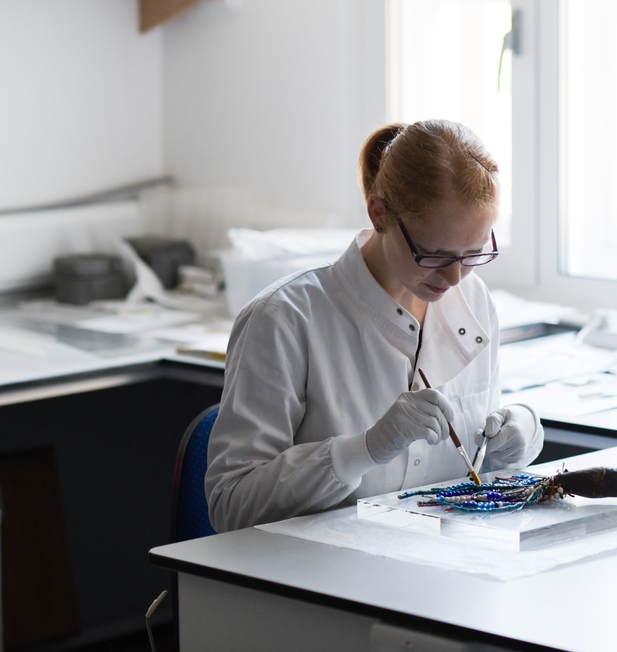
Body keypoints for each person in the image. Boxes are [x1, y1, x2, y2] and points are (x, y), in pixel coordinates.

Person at [206, 120, 544, 532]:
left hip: (442, 571)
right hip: (316, 578)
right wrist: (363, 450)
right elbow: (231, 506)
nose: (455, 278)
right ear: (379, 213)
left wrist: (522, 431)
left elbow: (476, 461)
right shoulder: (284, 318)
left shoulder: (473, 302)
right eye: (435, 254)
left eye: (473, 254)